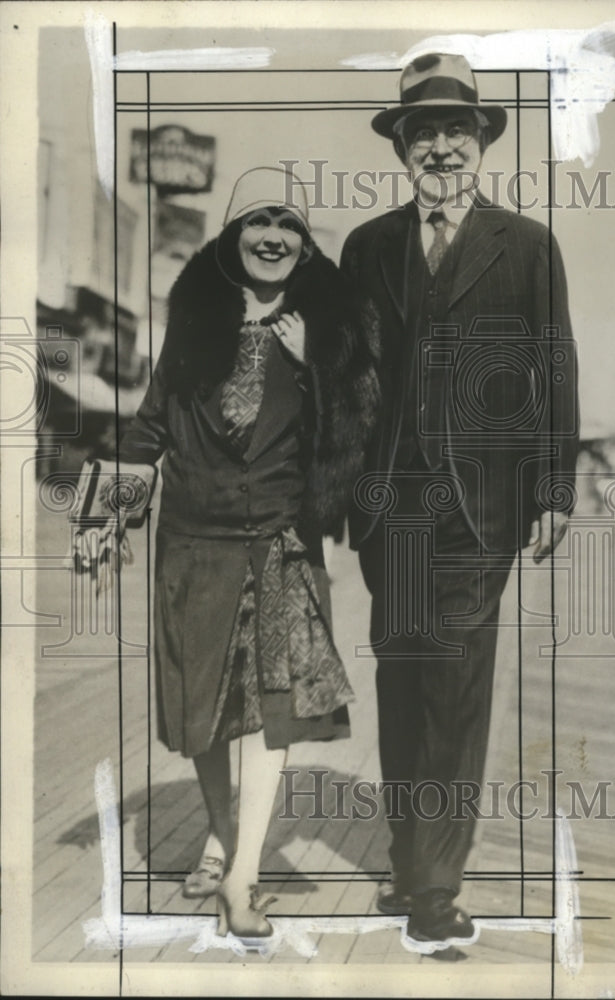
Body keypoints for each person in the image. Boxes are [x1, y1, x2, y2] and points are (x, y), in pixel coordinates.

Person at [85, 166, 379, 938]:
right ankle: (223, 833)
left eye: (288, 223)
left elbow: (358, 431)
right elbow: (148, 426)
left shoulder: (331, 325)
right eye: (258, 221)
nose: (273, 236)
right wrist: (102, 516)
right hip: (193, 544)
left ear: (304, 241)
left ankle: (242, 877)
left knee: (273, 714)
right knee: (204, 714)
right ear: (232, 233)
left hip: (281, 543)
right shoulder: (196, 317)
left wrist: (319, 358)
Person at [340, 53, 579, 946]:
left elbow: (554, 361)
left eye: (457, 131)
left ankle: (436, 885)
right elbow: (349, 374)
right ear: (402, 147)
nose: (441, 147)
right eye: (423, 132)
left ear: (481, 144)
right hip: (392, 509)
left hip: (482, 507)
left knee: (455, 689)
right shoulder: (368, 248)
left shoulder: (527, 246)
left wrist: (554, 484)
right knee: (403, 684)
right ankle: (411, 867)